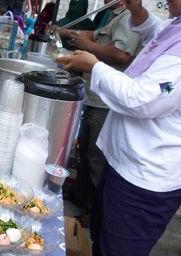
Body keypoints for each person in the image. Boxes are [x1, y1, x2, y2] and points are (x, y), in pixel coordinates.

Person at [56, 0, 181, 256]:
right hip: (128, 164)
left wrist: (95, 67)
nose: (166, 0)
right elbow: (157, 34)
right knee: (105, 248)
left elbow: (144, 99)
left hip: (149, 176)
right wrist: (136, 10)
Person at [58, 0, 141, 215]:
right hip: (94, 98)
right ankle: (79, 195)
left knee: (96, 156)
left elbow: (122, 54)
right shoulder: (113, 16)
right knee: (84, 150)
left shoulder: (128, 18)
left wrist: (88, 49)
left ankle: (93, 209)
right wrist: (69, 33)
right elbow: (93, 36)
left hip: (106, 102)